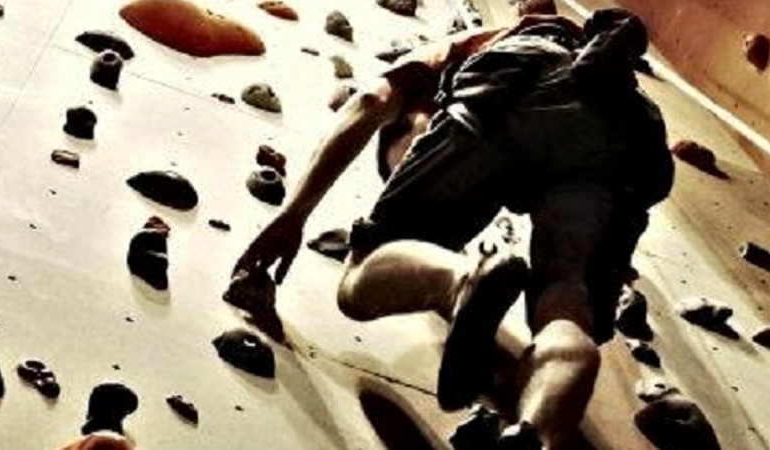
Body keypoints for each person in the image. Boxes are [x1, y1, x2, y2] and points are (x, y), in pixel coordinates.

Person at [236, 7, 673, 449]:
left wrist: (293, 214)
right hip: (625, 133)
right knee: (566, 304)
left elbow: (369, 102)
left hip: (508, 93)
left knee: (357, 283)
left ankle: (462, 282)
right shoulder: (609, 73)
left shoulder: (479, 43)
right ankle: (536, 436)